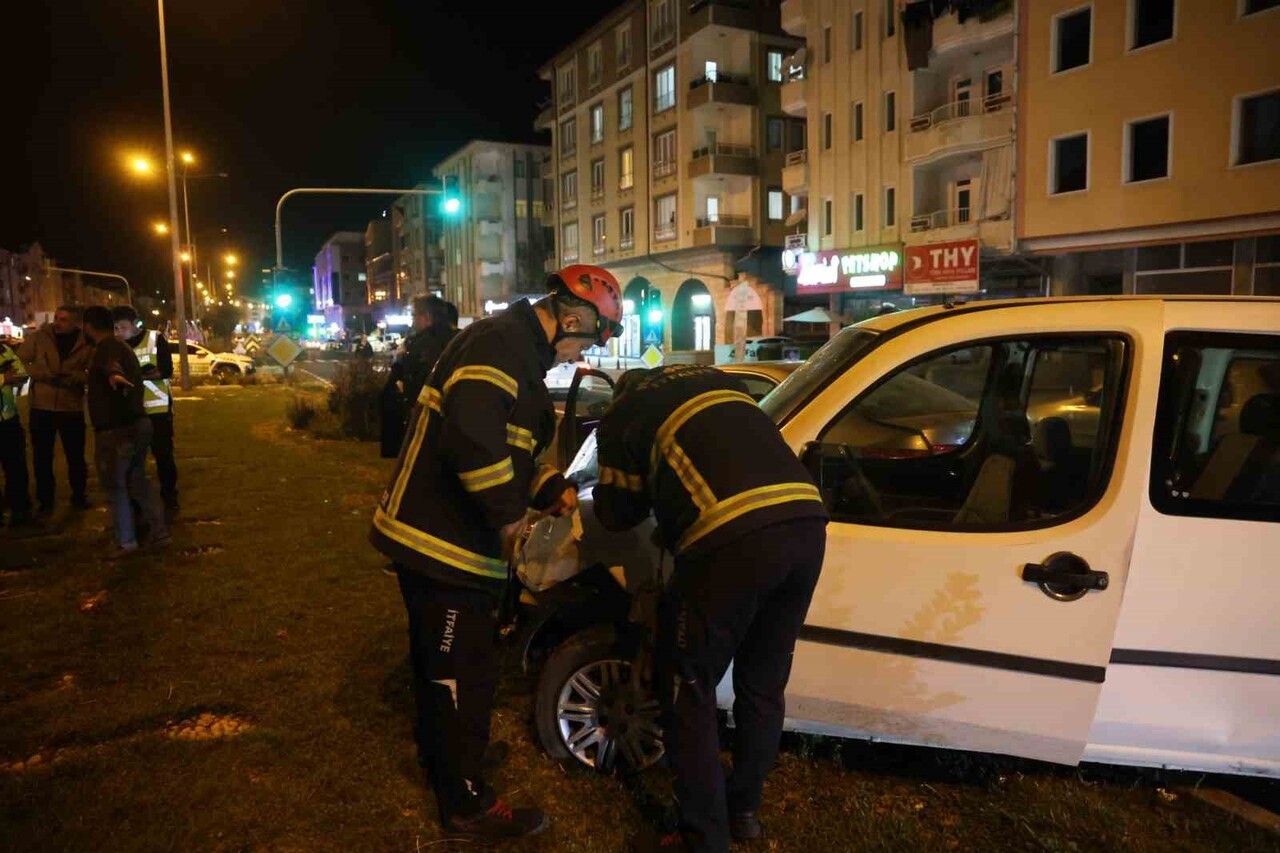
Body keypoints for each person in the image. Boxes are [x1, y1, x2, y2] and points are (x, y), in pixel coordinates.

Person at [369, 265, 624, 840]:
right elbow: (472, 442)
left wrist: (546, 486)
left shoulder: (519, 353)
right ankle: (464, 803)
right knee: (461, 672)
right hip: (441, 542)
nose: (582, 353)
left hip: (450, 540)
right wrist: (512, 522)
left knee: (452, 665)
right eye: (589, 340)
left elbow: (510, 447)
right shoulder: (501, 346)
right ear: (572, 320)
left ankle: (448, 756)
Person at [592, 365, 828, 853]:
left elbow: (617, 514)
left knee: (688, 689)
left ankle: (702, 838)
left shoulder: (623, 412)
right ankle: (744, 811)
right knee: (763, 684)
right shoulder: (722, 383)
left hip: (732, 539)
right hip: (806, 522)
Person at [81, 306, 168, 557]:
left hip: (117, 429)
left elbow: (112, 366)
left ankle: (126, 541)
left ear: (89, 326)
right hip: (138, 423)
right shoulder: (123, 346)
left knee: (116, 485)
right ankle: (159, 532)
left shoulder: (106, 348)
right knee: (137, 480)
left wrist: (114, 376)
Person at [17, 305, 92, 513]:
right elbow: (20, 362)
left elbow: (93, 371)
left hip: (71, 407)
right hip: (42, 406)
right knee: (42, 457)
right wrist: (41, 373)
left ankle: (79, 496)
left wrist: (76, 377)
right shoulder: (39, 338)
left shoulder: (85, 342)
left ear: (76, 323)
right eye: (57, 318)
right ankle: (45, 501)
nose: (58, 323)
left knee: (76, 457)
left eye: (64, 320)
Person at [113, 306, 179, 522]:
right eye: (115, 328)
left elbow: (165, 370)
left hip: (158, 410)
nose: (118, 332)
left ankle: (170, 496)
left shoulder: (155, 339)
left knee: (163, 456)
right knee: (132, 460)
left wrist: (135, 377)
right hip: (131, 412)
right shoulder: (115, 346)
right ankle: (136, 503)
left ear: (135, 324)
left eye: (123, 327)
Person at [0, 337, 34, 527]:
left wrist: (14, 378)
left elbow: (21, 374)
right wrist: (3, 378)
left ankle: (20, 509)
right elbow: (10, 377)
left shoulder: (4, 350)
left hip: (9, 418)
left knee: (16, 467)